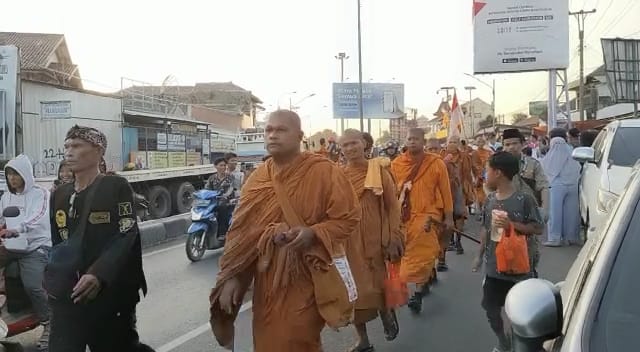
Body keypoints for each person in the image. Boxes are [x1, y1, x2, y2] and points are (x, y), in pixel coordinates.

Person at [209, 110, 360, 352]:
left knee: (297, 340)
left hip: (306, 276)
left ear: (300, 135)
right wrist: (234, 276)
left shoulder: (325, 172)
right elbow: (242, 235)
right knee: (268, 342)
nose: (272, 135)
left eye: (281, 130)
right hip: (267, 283)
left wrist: (313, 233)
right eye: (269, 130)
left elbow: (348, 218)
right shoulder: (257, 178)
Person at [48, 125, 151, 351]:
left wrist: (98, 274)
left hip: (109, 292)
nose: (69, 151)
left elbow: (127, 232)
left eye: (77, 146)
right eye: (66, 146)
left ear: (98, 151)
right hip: (69, 294)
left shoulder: (116, 186)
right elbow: (58, 242)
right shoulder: (59, 194)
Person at [339, 129, 404, 351]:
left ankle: (386, 311)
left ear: (364, 145)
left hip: (375, 241)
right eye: (345, 145)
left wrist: (394, 235)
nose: (350, 148)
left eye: (354, 143)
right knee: (353, 292)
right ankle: (363, 340)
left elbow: (392, 206)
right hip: (349, 242)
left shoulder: (378, 171)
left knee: (377, 286)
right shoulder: (339, 175)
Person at [472, 152, 543, 352]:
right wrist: (478, 257)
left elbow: (538, 228)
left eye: (487, 171)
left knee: (519, 311)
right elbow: (486, 228)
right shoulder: (490, 200)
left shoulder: (524, 199)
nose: (485, 175)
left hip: (520, 268)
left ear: (498, 173)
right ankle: (503, 341)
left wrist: (511, 225)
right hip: (494, 267)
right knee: (491, 309)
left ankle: (516, 342)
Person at [391, 128, 453, 314]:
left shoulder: (436, 163)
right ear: (405, 141)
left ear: (423, 141)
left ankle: (417, 294)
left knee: (421, 253)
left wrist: (449, 217)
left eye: (416, 139)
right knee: (407, 255)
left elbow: (445, 191)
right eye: (409, 139)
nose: (412, 142)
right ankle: (423, 280)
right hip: (403, 216)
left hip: (428, 215)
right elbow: (391, 192)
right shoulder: (396, 164)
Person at [0, 154, 52, 350]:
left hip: (36, 247)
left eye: (16, 174)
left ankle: (49, 322)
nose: (12, 178)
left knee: (33, 286)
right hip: (12, 246)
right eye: (9, 174)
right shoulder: (6, 196)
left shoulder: (40, 193)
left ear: (26, 174)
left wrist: (18, 229)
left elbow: (38, 216)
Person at [501, 128, 549, 277]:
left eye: (514, 143)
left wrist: (545, 211)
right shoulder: (497, 164)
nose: (510, 147)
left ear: (522, 144)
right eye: (507, 144)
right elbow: (488, 186)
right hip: (504, 217)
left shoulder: (533, 165)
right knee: (502, 257)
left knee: (529, 256)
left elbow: (544, 187)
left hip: (527, 218)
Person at [541, 134, 582, 247]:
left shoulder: (550, 157)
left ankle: (555, 238)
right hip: (573, 184)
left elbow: (545, 169)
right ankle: (571, 237)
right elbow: (578, 168)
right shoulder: (571, 154)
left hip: (556, 185)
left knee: (554, 212)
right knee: (572, 213)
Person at [442, 135, 474, 255]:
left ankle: (458, 241)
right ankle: (450, 240)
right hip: (445, 190)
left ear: (459, 144)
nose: (452, 144)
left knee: (460, 216)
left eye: (455, 142)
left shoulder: (464, 156)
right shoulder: (441, 155)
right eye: (450, 141)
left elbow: (468, 174)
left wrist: (469, 189)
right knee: (447, 217)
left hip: (460, 189)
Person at [205, 158, 234, 237]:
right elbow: (207, 189)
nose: (223, 167)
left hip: (227, 201)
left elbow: (231, 189)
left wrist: (225, 195)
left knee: (221, 207)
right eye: (221, 165)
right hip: (214, 201)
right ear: (215, 166)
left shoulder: (230, 177)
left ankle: (222, 232)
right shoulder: (211, 178)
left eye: (224, 165)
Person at [471, 136, 493, 219]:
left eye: (482, 142)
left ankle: (485, 213)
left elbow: (492, 162)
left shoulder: (489, 152)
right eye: (479, 142)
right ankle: (480, 212)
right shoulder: (474, 153)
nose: (480, 143)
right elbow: (473, 165)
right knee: (479, 197)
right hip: (478, 177)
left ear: (484, 143)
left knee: (487, 196)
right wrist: (478, 174)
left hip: (487, 176)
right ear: (476, 143)